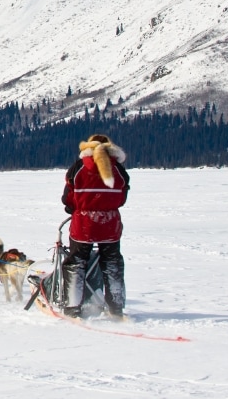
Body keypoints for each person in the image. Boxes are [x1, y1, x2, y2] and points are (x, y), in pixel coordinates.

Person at [61, 134, 129, 318]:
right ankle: (116, 307)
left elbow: (67, 197)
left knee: (76, 263)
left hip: (83, 224)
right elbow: (122, 198)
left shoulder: (78, 168)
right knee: (112, 263)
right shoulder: (119, 169)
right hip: (110, 224)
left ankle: (72, 307)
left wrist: (75, 207)